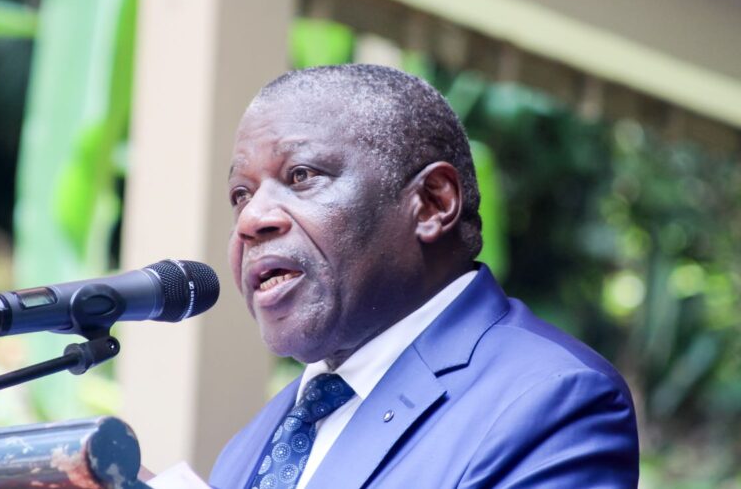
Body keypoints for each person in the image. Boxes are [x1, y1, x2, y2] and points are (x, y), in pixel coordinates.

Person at [210, 64, 639, 489]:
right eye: (240, 195)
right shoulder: (250, 447)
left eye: (301, 175)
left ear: (433, 203)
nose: (250, 219)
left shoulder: (551, 401)